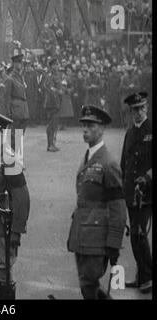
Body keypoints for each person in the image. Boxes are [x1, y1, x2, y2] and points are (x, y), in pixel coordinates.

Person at [67, 105, 127, 299]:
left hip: (96, 237)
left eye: (90, 125)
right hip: (83, 234)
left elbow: (117, 207)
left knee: (89, 284)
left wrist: (114, 243)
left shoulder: (108, 163)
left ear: (101, 129)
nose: (85, 129)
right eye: (83, 125)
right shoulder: (88, 157)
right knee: (88, 284)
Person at [0, 108, 30, 299]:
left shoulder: (9, 159)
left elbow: (22, 197)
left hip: (4, 226)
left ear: (0, 132)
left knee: (3, 270)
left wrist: (17, 231)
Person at [121, 92, 152, 294]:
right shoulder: (130, 132)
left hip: (147, 193)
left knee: (138, 235)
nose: (139, 112)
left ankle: (147, 276)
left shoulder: (151, 130)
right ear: (131, 112)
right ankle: (142, 276)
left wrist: (148, 178)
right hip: (132, 192)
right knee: (135, 235)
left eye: (142, 108)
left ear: (147, 108)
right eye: (135, 110)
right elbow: (125, 162)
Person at [4, 52, 30, 152]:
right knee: (14, 135)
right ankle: (12, 157)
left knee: (20, 135)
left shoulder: (21, 77)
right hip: (15, 109)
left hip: (23, 109)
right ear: (14, 64)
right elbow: (7, 97)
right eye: (19, 63)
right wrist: (8, 111)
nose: (21, 65)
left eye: (21, 63)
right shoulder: (10, 79)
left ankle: (15, 156)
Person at [44, 58, 62, 152]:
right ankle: (50, 144)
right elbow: (51, 89)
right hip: (51, 103)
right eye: (55, 65)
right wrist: (59, 92)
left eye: (57, 64)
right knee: (51, 124)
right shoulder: (49, 76)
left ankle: (52, 144)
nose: (57, 66)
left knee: (54, 124)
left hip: (56, 102)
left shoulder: (57, 76)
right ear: (51, 66)